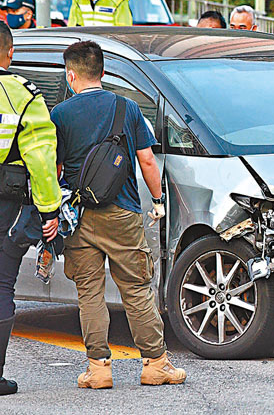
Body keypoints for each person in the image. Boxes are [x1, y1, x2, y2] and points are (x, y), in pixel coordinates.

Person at [51, 41, 186, 389]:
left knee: (90, 293)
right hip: (123, 214)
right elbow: (146, 160)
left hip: (79, 217)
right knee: (137, 290)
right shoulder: (126, 108)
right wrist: (157, 200)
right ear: (104, 72)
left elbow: (56, 167)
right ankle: (156, 365)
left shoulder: (60, 114)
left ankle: (98, 369)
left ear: (71, 75)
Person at [0, 23, 62, 395]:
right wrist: (50, 211)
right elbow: (41, 160)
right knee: (2, 285)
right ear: (9, 53)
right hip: (6, 206)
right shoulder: (23, 95)